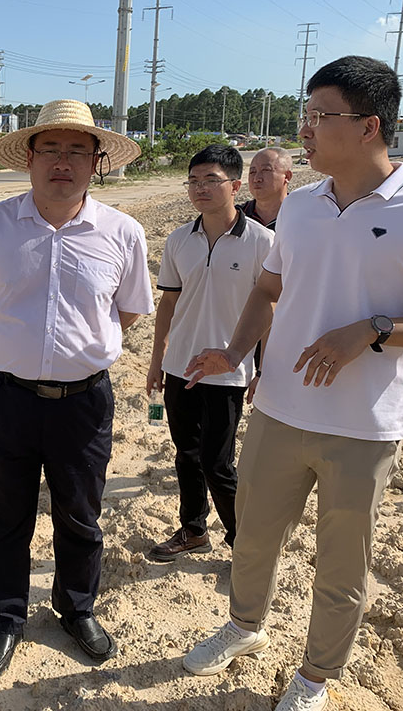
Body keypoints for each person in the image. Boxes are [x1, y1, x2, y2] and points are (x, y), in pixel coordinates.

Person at [182, 56, 403, 711]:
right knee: (253, 538)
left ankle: (315, 677)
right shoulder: (300, 209)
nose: (306, 128)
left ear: (369, 125)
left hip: (363, 425)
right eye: (307, 114)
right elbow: (269, 289)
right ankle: (244, 626)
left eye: (321, 116)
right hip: (279, 408)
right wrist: (233, 352)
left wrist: (373, 330)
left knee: (341, 566)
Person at [0, 99, 155, 681]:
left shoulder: (123, 232)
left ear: (97, 161)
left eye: (77, 151)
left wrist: (80, 350)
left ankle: (76, 608)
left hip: (84, 402)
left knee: (81, 516)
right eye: (52, 150)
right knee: (4, 519)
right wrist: (6, 342)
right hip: (7, 398)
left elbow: (129, 310)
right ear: (30, 158)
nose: (63, 162)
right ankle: (6, 619)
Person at [145, 145, 273, 562]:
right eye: (193, 181)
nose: (200, 188)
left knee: (218, 464)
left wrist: (262, 368)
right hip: (180, 367)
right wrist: (157, 361)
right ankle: (194, 530)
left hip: (228, 371)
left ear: (235, 186)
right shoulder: (179, 239)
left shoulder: (262, 242)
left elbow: (270, 310)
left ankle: (243, 545)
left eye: (210, 180)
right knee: (186, 455)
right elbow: (168, 303)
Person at [241, 146, 292, 230]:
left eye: (266, 170)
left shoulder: (301, 214)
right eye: (252, 172)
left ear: (287, 176)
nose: (256, 179)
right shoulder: (238, 217)